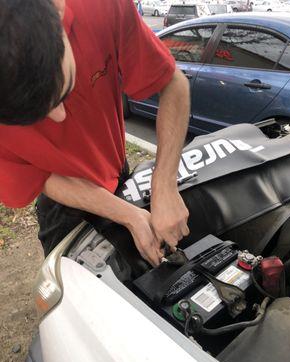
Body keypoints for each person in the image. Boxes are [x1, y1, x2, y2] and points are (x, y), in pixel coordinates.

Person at [0, 0, 190, 267]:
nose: (60, 118)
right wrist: (129, 215)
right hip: (62, 202)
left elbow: (173, 83)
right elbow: (36, 176)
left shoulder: (102, 7)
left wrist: (165, 184)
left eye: (62, 93)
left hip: (117, 169)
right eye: (35, 116)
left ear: (59, 12)